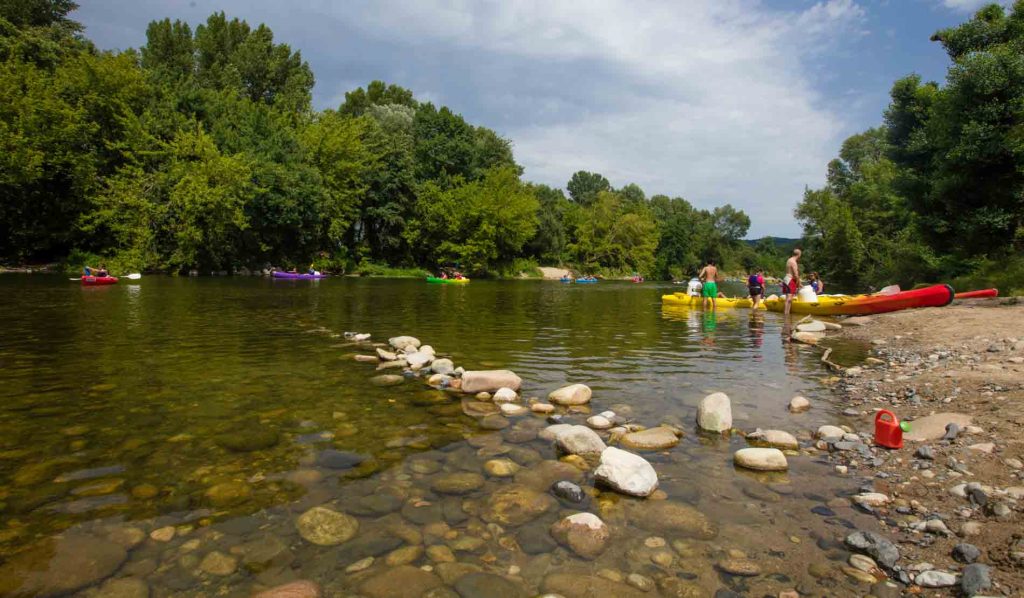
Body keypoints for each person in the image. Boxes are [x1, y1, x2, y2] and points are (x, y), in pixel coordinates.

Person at [782, 249, 801, 315]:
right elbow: (796, 274)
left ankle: (786, 314)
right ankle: (786, 314)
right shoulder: (793, 262)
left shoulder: (789, 260)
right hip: (790, 280)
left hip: (786, 279)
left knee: (788, 298)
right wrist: (799, 283)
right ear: (799, 255)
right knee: (789, 298)